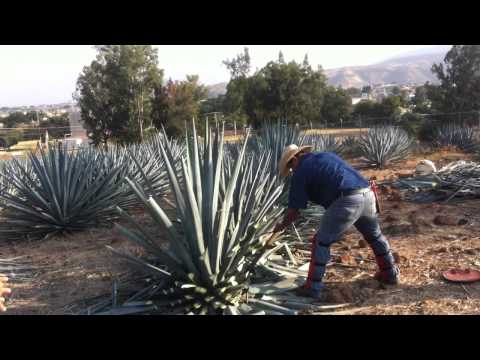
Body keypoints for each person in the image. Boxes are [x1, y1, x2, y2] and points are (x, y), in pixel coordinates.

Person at [271, 144, 399, 299]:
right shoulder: (326, 156)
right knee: (375, 236)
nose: (291, 171)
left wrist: (280, 227)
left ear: (295, 158)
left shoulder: (301, 171)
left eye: (290, 166)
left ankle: (312, 288)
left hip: (347, 201)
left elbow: (294, 211)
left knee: (321, 241)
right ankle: (390, 274)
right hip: (367, 194)